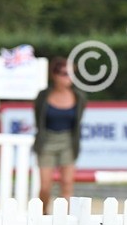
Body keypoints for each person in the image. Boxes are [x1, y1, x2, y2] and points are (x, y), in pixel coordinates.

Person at [32, 56, 87, 208]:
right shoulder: (43, 96)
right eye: (64, 73)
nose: (68, 78)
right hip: (47, 141)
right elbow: (39, 119)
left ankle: (65, 221)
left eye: (71, 74)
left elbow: (77, 122)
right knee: (45, 186)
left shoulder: (79, 97)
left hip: (68, 141)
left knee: (67, 184)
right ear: (54, 75)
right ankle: (42, 217)